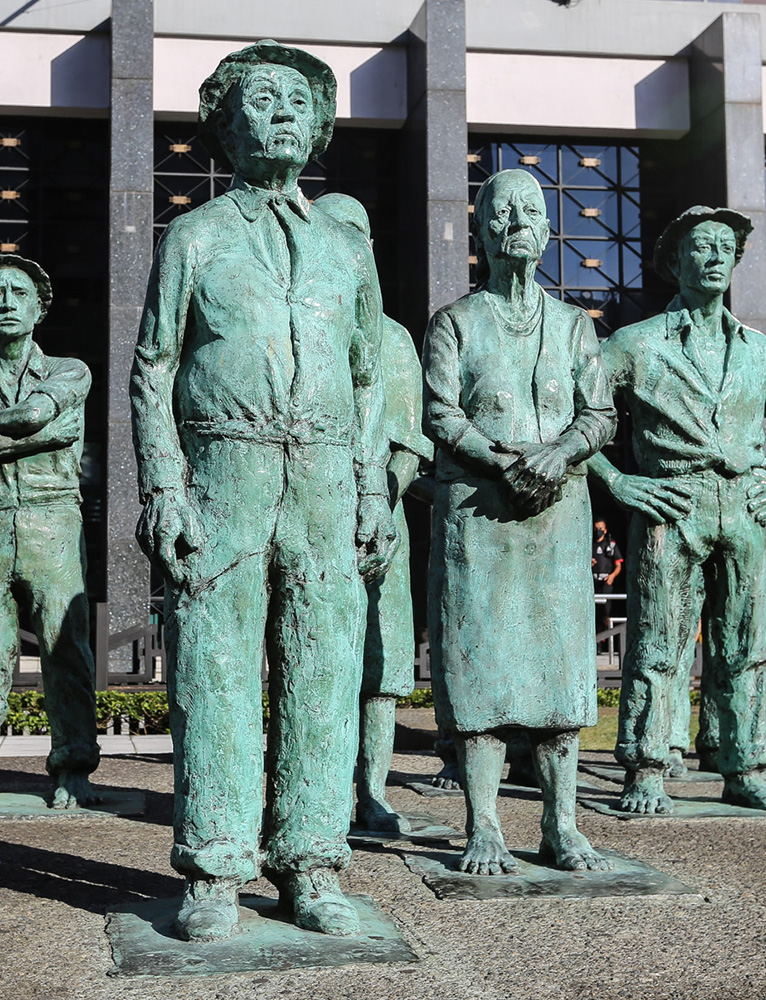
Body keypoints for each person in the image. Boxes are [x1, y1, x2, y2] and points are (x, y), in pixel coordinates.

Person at [129, 41, 396, 942]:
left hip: (324, 473)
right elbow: (153, 366)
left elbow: (368, 377)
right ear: (225, 122)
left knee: (324, 668)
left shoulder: (343, 247)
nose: (281, 112)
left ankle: (311, 864)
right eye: (261, 98)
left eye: (298, 101)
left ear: (319, 128)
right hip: (225, 471)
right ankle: (212, 866)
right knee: (215, 666)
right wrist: (165, 486)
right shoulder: (196, 236)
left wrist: (373, 487)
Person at [589, 206, 766, 814]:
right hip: (672, 502)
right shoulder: (634, 344)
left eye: (725, 246)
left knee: (742, 642)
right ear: (675, 262)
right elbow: (576, 419)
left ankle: (741, 767)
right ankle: (647, 767)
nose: (715, 256)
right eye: (702, 246)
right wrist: (618, 480)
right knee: (659, 641)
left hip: (742, 504)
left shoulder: (758, 350)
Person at [423, 168, 615, 875]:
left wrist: (559, 454)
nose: (515, 220)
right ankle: (484, 828)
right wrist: (504, 462)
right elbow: (439, 412)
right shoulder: (454, 323)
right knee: (482, 669)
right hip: (480, 514)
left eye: (529, 208)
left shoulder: (573, 326)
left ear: (546, 228)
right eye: (500, 210)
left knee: (560, 670)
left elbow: (599, 414)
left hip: (558, 516)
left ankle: (561, 824)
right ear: (479, 230)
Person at [317, 192, 433, 832]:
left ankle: (374, 791)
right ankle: (315, 791)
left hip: (382, 516)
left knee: (381, 671)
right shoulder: (300, 319)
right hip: (309, 514)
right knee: (315, 659)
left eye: (357, 234)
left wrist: (383, 500)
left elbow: (412, 438)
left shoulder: (392, 337)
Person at [0, 255, 99, 809]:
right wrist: (41, 431)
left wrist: (38, 426)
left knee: (66, 646)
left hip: (51, 519)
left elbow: (33, 417)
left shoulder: (70, 370)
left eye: (18, 292)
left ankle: (74, 768)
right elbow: (39, 429)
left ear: (39, 307)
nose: (6, 302)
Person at [592, 518, 623, 640]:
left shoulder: (611, 545)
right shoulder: (588, 545)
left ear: (605, 530)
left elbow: (618, 565)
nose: (598, 531)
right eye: (596, 529)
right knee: (593, 612)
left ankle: (604, 639)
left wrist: (612, 576)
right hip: (592, 582)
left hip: (606, 583)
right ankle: (596, 643)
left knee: (605, 613)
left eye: (600, 529)